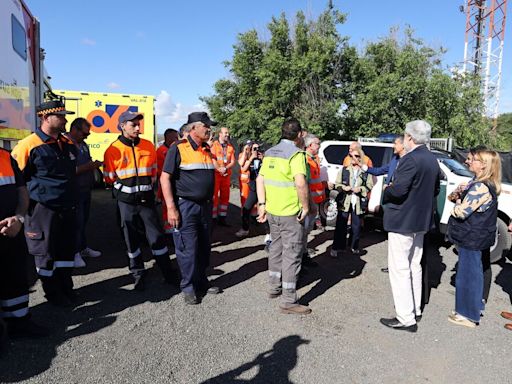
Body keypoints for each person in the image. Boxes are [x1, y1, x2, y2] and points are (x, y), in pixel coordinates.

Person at [11, 99, 79, 307]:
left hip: (67, 207)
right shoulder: (28, 145)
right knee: (45, 253)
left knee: (66, 251)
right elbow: (17, 179)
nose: (65, 119)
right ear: (45, 117)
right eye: (61, 116)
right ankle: (53, 294)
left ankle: (66, 287)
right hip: (42, 209)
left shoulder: (67, 143)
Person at [379, 120, 440, 332]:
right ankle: (415, 310)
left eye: (405, 136)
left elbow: (398, 191)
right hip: (420, 221)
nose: (403, 139)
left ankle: (406, 317)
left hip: (403, 220)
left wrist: (387, 189)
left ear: (410, 138)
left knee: (400, 268)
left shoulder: (410, 159)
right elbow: (435, 191)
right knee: (414, 265)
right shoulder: (432, 159)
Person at [103, 111, 174, 291]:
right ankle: (138, 273)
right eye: (133, 124)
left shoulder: (149, 146)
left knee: (156, 237)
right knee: (131, 239)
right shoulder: (113, 150)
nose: (137, 127)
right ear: (122, 126)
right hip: (126, 203)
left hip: (147, 202)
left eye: (138, 124)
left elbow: (154, 172)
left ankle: (167, 271)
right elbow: (109, 178)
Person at [160, 112, 221, 305]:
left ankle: (201, 281)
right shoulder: (178, 148)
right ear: (193, 127)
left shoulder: (206, 149)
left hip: (205, 206)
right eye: (206, 126)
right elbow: (164, 178)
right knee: (188, 248)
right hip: (186, 206)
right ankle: (188, 286)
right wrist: (171, 208)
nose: (209, 129)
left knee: (203, 246)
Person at [256, 118, 311, 315]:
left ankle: (274, 286)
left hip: (273, 211)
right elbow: (300, 183)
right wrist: (305, 207)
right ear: (299, 135)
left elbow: (260, 179)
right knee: (292, 254)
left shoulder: (270, 152)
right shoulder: (296, 154)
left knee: (276, 249)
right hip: (290, 213)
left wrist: (262, 205)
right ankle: (289, 300)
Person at [446, 149, 501, 328]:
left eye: (474, 160)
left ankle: (467, 314)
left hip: (472, 237)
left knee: (468, 276)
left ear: (484, 164)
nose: (469, 162)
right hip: (479, 235)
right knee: (477, 273)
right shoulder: (484, 183)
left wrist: (458, 203)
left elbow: (461, 212)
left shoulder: (479, 186)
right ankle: (474, 308)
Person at [0, 148, 48, 338]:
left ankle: (19, 323)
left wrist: (19, 218)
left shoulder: (5, 157)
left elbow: (22, 192)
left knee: (16, 277)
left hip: (12, 231)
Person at [361, 135, 406, 273]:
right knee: (392, 236)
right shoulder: (394, 159)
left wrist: (392, 187)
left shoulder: (409, 162)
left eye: (396, 144)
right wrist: (364, 167)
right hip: (391, 203)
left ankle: (400, 266)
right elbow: (380, 170)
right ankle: (393, 265)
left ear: (403, 145)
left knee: (401, 238)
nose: (393, 146)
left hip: (402, 204)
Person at [66, 118, 103, 268]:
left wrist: (92, 165)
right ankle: (74, 253)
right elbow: (67, 171)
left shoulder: (84, 145)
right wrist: (89, 166)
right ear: (74, 129)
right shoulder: (66, 145)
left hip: (85, 190)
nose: (87, 136)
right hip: (73, 191)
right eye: (84, 133)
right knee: (76, 223)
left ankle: (82, 248)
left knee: (83, 221)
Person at [331, 146, 373, 257]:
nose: (353, 158)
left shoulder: (365, 172)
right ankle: (337, 247)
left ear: (361, 157)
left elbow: (369, 185)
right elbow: (337, 184)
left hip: (358, 202)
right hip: (345, 201)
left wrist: (360, 189)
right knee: (341, 225)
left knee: (356, 226)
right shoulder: (344, 170)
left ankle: (354, 246)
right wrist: (344, 188)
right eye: (351, 156)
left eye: (356, 156)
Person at [235, 142, 270, 242]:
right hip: (254, 187)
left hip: (263, 187)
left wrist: (263, 158)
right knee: (246, 208)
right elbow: (243, 168)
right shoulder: (249, 158)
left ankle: (269, 233)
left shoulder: (263, 158)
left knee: (265, 209)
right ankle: (245, 229)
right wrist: (251, 158)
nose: (256, 151)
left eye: (258, 148)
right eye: (254, 149)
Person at [302, 134, 326, 266]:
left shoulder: (313, 159)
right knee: (303, 232)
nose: (319, 146)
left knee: (306, 232)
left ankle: (304, 255)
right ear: (310, 145)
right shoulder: (305, 159)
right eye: (317, 143)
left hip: (314, 202)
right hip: (309, 202)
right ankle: (302, 257)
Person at [211, 127, 236, 225]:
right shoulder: (214, 145)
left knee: (225, 197)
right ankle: (213, 219)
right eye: (225, 133)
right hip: (216, 175)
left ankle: (222, 218)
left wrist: (225, 168)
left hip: (226, 175)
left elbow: (233, 161)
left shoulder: (230, 147)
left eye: (228, 133)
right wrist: (219, 169)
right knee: (215, 197)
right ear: (220, 134)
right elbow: (212, 159)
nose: (227, 135)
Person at [157, 128, 179, 234]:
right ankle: (168, 228)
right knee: (166, 206)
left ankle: (173, 226)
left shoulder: (173, 149)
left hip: (174, 182)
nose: (177, 139)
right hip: (165, 182)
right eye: (175, 137)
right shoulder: (161, 151)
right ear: (168, 137)